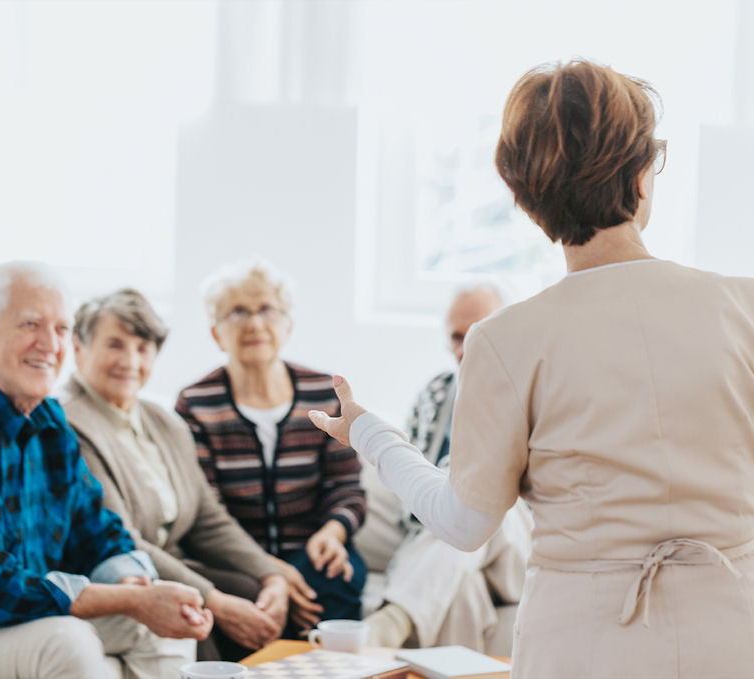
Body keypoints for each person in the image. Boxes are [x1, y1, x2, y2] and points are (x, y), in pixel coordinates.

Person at [308, 60, 754, 678]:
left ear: (523, 195)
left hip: (578, 646)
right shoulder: (749, 307)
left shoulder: (502, 341)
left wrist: (370, 432)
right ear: (643, 174)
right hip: (737, 639)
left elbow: (461, 523)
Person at [0, 262, 212, 679]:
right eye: (31, 324)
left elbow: (99, 531)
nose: (49, 345)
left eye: (60, 329)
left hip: (24, 612)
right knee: (66, 642)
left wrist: (132, 585)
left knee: (171, 616)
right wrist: (127, 602)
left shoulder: (51, 421)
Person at [61, 288, 289, 662]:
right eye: (115, 345)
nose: (130, 361)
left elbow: (208, 519)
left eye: (143, 348)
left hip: (172, 564)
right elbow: (123, 538)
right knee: (200, 613)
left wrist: (271, 576)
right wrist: (213, 598)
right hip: (119, 574)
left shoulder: (163, 421)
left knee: (255, 593)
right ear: (78, 347)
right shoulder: (69, 424)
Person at [176, 260, 367, 637]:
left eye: (266, 309)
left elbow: (347, 486)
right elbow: (205, 507)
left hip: (313, 550)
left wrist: (333, 533)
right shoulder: (196, 403)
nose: (254, 323)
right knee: (251, 597)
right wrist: (269, 568)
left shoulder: (322, 393)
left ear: (288, 325)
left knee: (335, 578)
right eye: (238, 312)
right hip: (235, 559)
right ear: (216, 334)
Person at [363, 284, 533, 650]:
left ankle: (391, 622)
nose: (467, 346)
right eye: (457, 336)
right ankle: (403, 623)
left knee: (482, 499)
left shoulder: (536, 389)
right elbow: (413, 498)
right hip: (449, 555)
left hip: (514, 553)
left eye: (480, 331)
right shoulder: (436, 394)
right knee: (460, 591)